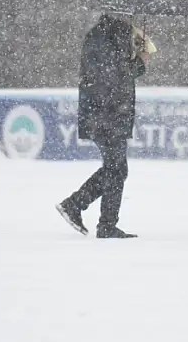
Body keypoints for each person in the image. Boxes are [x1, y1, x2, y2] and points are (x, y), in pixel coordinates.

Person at [55, 13, 151, 238]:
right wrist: (140, 61)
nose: (132, 20)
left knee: (115, 169)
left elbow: (110, 71)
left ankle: (80, 208)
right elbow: (116, 75)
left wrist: (134, 51)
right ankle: (95, 218)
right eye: (130, 17)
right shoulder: (110, 37)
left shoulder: (103, 34)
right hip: (107, 114)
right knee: (116, 169)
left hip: (103, 113)